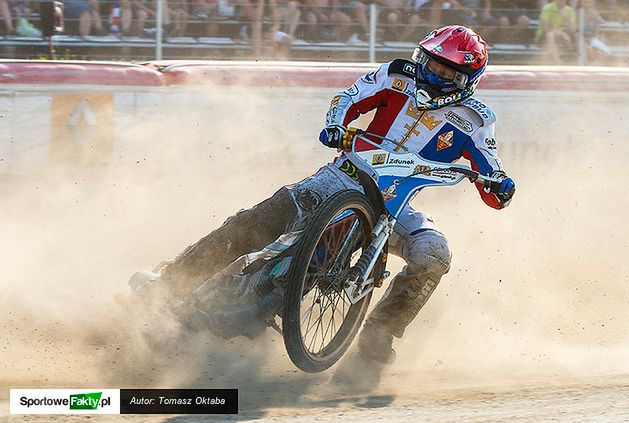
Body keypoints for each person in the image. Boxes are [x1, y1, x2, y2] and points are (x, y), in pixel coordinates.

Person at [131, 25, 515, 384]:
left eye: (446, 73)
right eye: (431, 64)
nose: (433, 76)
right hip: (341, 176)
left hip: (397, 207)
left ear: (467, 81)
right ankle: (168, 284)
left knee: (435, 254)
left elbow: (490, 168)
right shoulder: (395, 74)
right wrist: (336, 123)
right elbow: (349, 98)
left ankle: (379, 336)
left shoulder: (476, 118)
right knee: (251, 223)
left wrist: (498, 184)